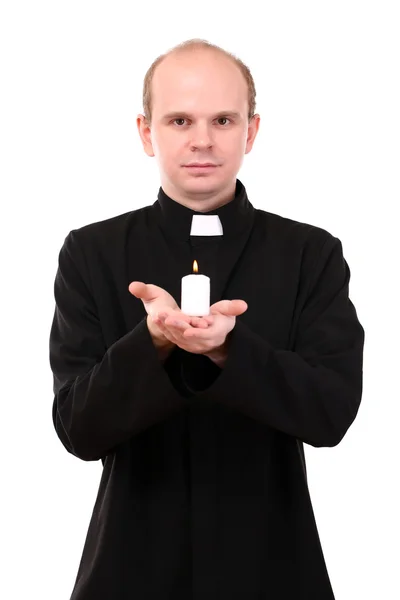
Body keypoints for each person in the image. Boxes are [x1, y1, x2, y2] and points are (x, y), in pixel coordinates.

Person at [49, 39, 365, 600]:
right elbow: (79, 429)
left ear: (252, 131)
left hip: (274, 568)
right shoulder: (91, 252)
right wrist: (151, 343)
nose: (202, 140)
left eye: (223, 119)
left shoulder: (309, 253)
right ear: (147, 133)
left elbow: (331, 414)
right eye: (179, 120)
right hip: (131, 567)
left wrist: (231, 352)